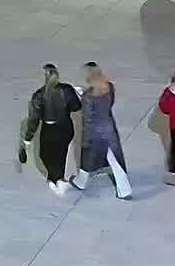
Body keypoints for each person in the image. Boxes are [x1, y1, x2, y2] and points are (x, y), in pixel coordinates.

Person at [20, 64, 83, 196]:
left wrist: (27, 138)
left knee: (45, 155)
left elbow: (33, 119)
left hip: (49, 129)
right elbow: (76, 106)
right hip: (65, 127)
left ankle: (56, 179)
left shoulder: (39, 96)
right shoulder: (66, 89)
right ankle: (57, 179)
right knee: (61, 154)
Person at [72, 62, 132, 199]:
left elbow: (87, 118)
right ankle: (124, 188)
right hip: (108, 127)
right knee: (115, 159)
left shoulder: (88, 96)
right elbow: (109, 104)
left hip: (95, 131)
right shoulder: (109, 87)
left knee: (88, 156)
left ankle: (81, 181)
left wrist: (85, 137)